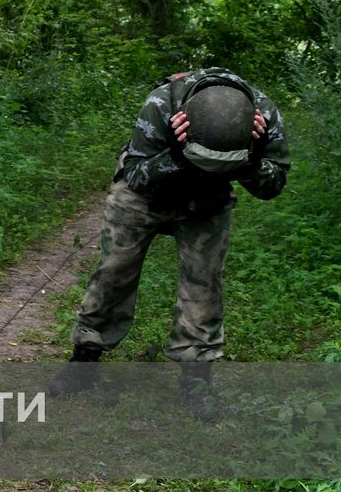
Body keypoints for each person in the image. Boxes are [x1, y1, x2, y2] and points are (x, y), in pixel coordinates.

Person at [48, 68, 290, 414]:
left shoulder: (263, 116)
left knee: (204, 284)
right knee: (114, 272)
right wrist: (177, 155)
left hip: (208, 201)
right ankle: (84, 360)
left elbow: (273, 186)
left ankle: (196, 381)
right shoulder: (162, 105)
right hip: (143, 195)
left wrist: (250, 158)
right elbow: (136, 175)